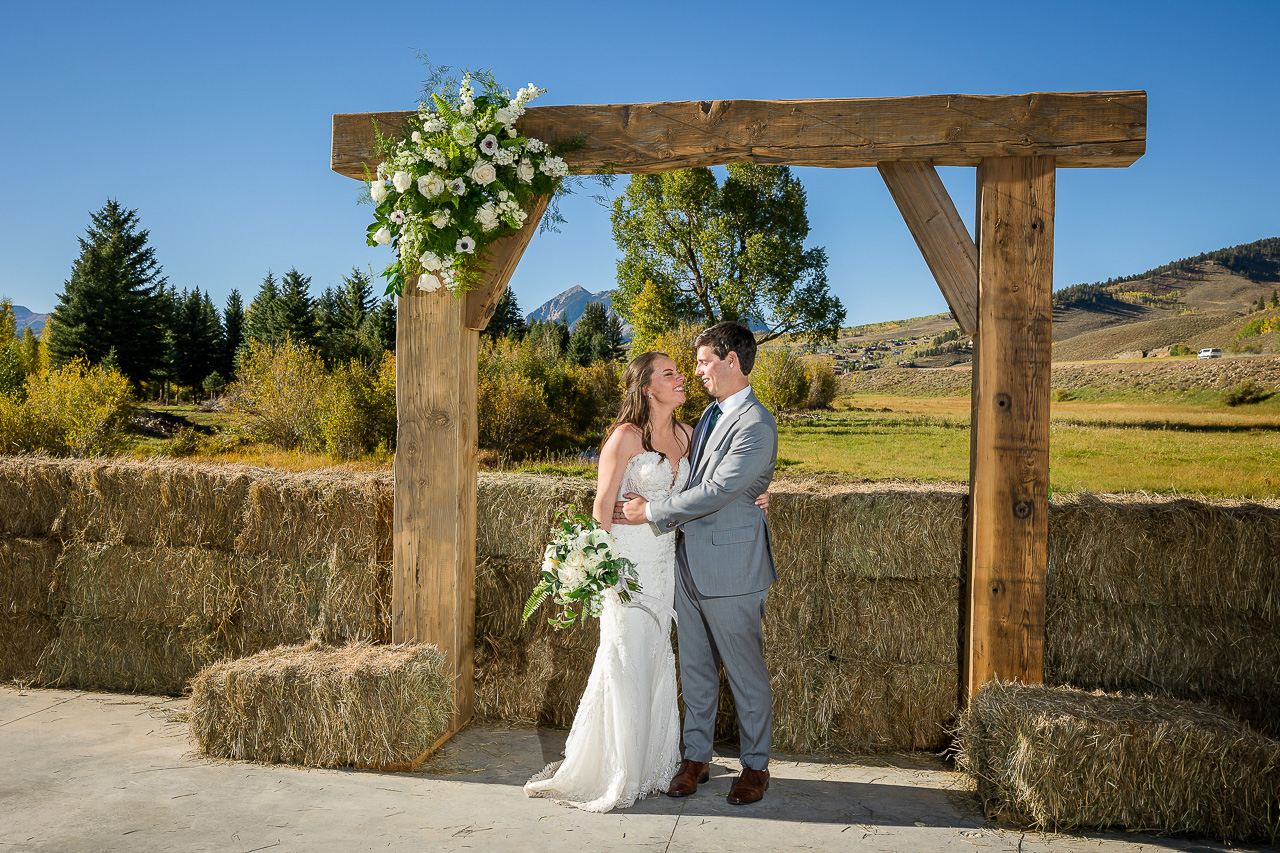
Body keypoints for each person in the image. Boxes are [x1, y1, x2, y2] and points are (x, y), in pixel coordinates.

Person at [523, 350, 769, 813]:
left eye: (682, 370)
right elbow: (602, 508)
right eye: (670, 373)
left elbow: (718, 486)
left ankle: (656, 766)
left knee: (658, 662)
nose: (682, 378)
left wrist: (758, 495)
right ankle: (619, 770)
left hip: (668, 567)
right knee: (626, 658)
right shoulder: (625, 438)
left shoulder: (691, 435)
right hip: (629, 568)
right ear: (647, 388)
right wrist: (607, 572)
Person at [619, 322, 778, 806]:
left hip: (731, 568)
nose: (697, 371)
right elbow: (696, 477)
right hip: (685, 562)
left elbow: (717, 490)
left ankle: (756, 767)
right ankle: (696, 757)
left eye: (704, 361)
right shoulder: (708, 415)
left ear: (732, 361)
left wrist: (650, 512)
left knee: (745, 670)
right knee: (696, 667)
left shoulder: (756, 422)